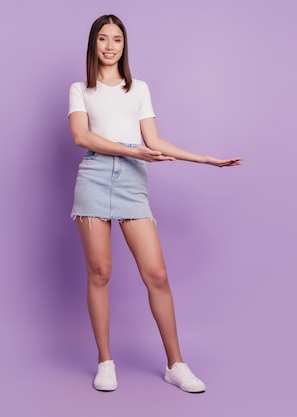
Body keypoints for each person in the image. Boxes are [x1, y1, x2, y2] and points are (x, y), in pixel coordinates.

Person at [67, 14, 242, 393]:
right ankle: (105, 361)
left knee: (157, 275)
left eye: (117, 39)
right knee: (100, 272)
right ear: (93, 45)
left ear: (124, 45)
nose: (110, 46)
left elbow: (155, 141)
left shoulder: (139, 88)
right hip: (95, 178)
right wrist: (132, 150)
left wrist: (205, 158)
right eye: (103, 39)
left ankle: (175, 364)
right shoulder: (81, 89)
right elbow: (81, 137)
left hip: (132, 181)